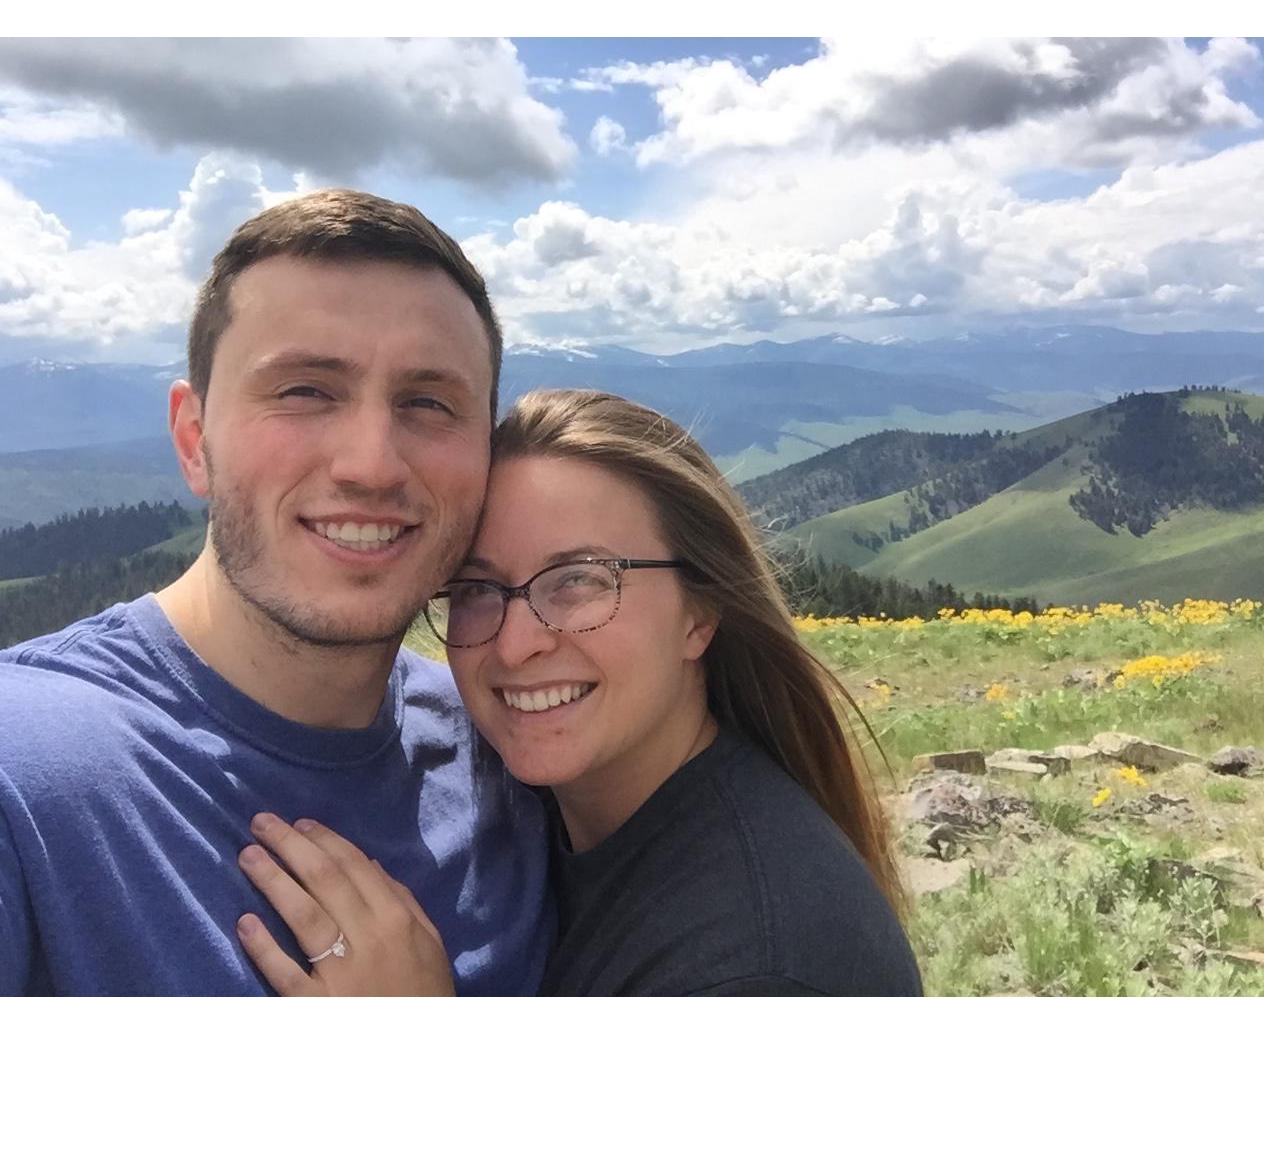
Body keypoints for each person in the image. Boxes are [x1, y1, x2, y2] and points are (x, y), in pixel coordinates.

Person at [0, 190, 554, 996]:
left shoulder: (513, 752)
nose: (371, 463)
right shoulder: (23, 776)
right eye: (304, 391)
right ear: (194, 440)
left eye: (429, 403)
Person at [236, 389, 921, 996]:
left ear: (700, 614)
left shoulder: (756, 970)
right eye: (476, 589)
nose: (515, 645)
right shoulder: (563, 818)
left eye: (579, 580)